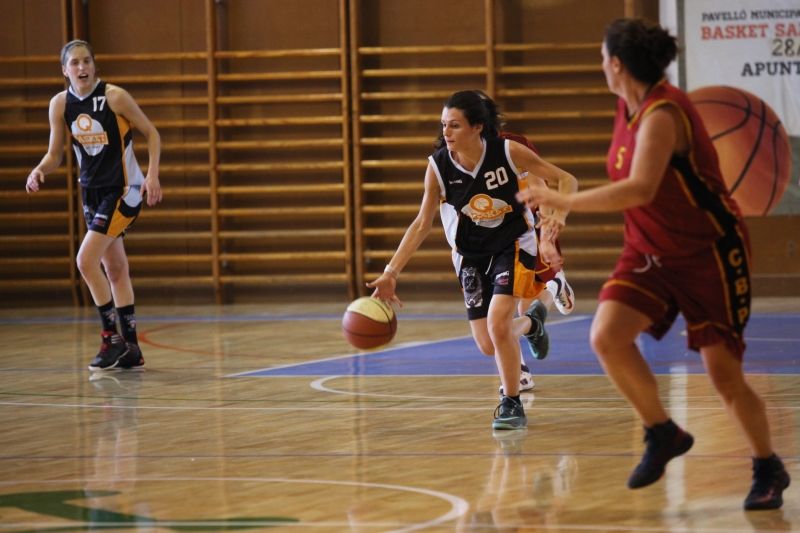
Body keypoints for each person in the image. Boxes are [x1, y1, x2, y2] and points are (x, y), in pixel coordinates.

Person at [516, 19, 790, 510]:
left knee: (723, 375)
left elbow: (641, 188)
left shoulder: (664, 114)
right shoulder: (630, 105)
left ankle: (767, 465)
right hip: (649, 249)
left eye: (602, 58)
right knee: (606, 335)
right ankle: (661, 431)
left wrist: (557, 200)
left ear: (616, 64)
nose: (601, 65)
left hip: (708, 252)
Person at [367, 90, 578, 430]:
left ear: (478, 127)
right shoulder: (438, 166)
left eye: (454, 125)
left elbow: (566, 179)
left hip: (511, 245)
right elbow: (422, 223)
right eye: (443, 126)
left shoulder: (507, 152)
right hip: (469, 254)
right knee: (486, 343)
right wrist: (391, 271)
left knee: (497, 325)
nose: (446, 133)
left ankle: (511, 403)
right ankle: (533, 323)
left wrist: (557, 220)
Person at [25, 40, 162, 371]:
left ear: (94, 66)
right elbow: (55, 154)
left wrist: (152, 176)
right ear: (65, 70)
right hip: (92, 192)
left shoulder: (114, 97)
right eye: (75, 63)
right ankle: (132, 349)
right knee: (114, 269)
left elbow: (151, 132)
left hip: (124, 189)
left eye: (87, 61)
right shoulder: (60, 104)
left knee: (85, 261)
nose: (82, 67)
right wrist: (40, 169)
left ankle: (110, 339)